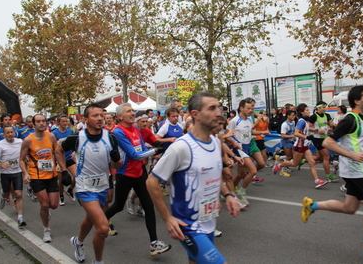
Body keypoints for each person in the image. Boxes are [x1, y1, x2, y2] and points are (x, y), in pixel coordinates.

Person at [147, 92, 240, 264]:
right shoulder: (181, 147)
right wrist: (168, 218)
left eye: (218, 107)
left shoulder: (215, 142)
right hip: (188, 227)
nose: (218, 113)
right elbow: (152, 181)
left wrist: (228, 195)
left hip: (209, 222)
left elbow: (214, 175)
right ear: (195, 114)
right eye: (211, 108)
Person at [301, 85, 363, 261]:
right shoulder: (350, 119)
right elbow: (329, 143)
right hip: (354, 171)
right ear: (357, 101)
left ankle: (311, 206)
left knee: (350, 208)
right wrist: (351, 154)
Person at [56, 104, 122, 264]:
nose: (100, 118)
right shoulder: (77, 138)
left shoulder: (111, 137)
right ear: (85, 120)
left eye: (101, 115)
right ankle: (98, 261)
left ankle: (77, 242)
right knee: (103, 228)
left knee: (90, 219)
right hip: (84, 187)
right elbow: (58, 149)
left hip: (103, 187)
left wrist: (116, 159)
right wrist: (64, 170)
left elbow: (117, 166)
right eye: (95, 116)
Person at [105, 103, 171, 256]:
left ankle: (154, 243)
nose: (133, 113)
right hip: (125, 174)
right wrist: (157, 150)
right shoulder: (118, 132)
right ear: (120, 116)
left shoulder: (135, 129)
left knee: (149, 206)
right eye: (129, 111)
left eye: (133, 110)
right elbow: (134, 155)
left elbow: (142, 149)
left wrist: (161, 150)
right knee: (118, 206)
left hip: (140, 172)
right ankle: (100, 221)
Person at [19, 114, 59, 242]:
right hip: (37, 176)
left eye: (43, 121)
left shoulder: (51, 136)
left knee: (54, 205)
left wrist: (58, 165)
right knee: (44, 204)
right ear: (34, 124)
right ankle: (46, 229)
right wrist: (25, 173)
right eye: (38, 121)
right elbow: (21, 160)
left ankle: (46, 212)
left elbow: (57, 152)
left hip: (52, 175)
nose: (41, 123)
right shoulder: (28, 140)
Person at [273, 103, 328, 188]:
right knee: (295, 164)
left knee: (312, 162)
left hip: (305, 145)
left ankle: (317, 181)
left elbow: (307, 128)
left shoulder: (305, 120)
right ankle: (279, 165)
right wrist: (306, 136)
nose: (309, 111)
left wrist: (316, 130)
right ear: (302, 112)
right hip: (299, 145)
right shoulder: (301, 121)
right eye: (307, 110)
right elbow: (296, 133)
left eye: (308, 110)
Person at [0, 126, 26, 227]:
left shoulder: (20, 142)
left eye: (12, 132)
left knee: (18, 194)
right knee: (7, 193)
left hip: (17, 171)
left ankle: (20, 217)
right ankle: (3, 197)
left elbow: (26, 150)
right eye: (8, 133)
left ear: (14, 133)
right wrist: (1, 164)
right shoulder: (0, 145)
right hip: (5, 173)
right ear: (4, 135)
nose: (10, 134)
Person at [308, 101, 338, 182]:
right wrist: (317, 130)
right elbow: (308, 127)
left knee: (319, 157)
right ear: (318, 108)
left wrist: (335, 125)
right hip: (317, 139)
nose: (325, 109)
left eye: (325, 107)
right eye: (323, 107)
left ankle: (303, 159)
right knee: (327, 157)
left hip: (325, 138)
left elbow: (330, 124)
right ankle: (328, 176)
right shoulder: (314, 117)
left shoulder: (326, 115)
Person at [51, 114, 76, 205]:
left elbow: (74, 143)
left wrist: (74, 152)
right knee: (61, 180)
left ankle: (70, 190)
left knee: (77, 177)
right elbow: (53, 149)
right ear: (58, 122)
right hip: (60, 160)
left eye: (66, 121)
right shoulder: (54, 133)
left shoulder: (70, 131)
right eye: (63, 121)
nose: (65, 123)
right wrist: (57, 162)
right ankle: (61, 196)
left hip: (69, 158)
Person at [279, 110, 296, 176]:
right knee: (288, 156)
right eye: (292, 115)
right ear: (288, 116)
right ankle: (282, 170)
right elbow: (282, 135)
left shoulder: (293, 122)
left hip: (291, 141)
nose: (294, 117)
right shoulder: (284, 124)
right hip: (285, 141)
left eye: (294, 115)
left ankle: (279, 158)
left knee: (291, 156)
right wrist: (293, 136)